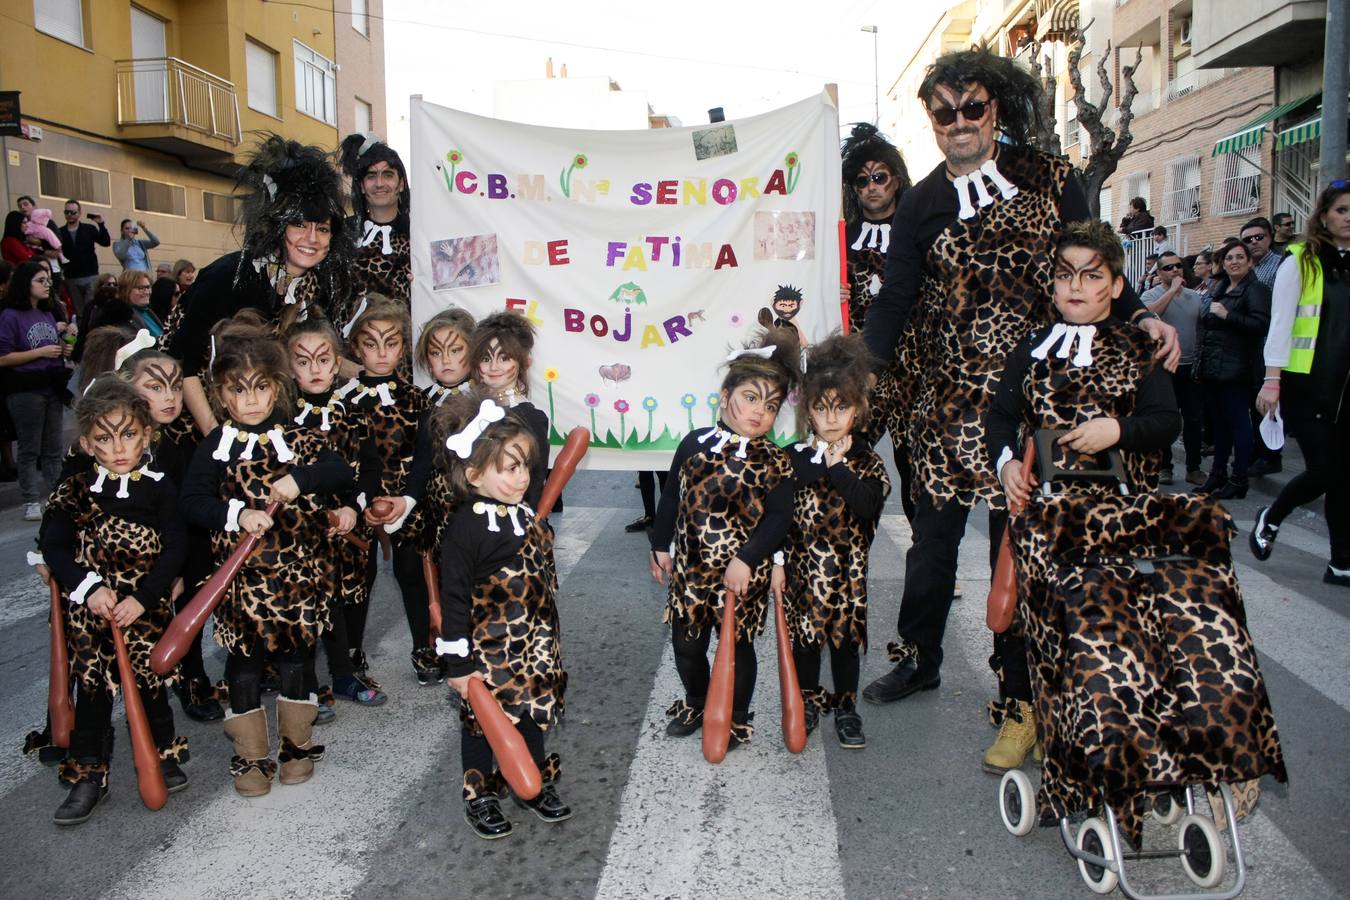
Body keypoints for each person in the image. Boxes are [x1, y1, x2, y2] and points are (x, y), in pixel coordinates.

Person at [859, 47, 1177, 712]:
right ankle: (920, 657)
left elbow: (1092, 259)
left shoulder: (1049, 175)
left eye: (972, 107)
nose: (959, 122)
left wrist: (1142, 314)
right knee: (932, 540)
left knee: (1022, 539)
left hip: (1035, 394)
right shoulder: (921, 203)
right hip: (947, 399)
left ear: (995, 107)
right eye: (943, 114)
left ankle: (1019, 677)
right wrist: (858, 371)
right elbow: (893, 302)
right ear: (932, 121)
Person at [983, 221, 1181, 772]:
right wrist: (1004, 469)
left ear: (1116, 286)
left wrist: (1116, 430)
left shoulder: (1140, 347)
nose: (1075, 286)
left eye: (1091, 276)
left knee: (1102, 621)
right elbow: (999, 417)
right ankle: (1022, 714)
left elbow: (1167, 422)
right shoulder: (1030, 346)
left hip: (1114, 516)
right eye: (1065, 275)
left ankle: (1093, 720)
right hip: (1036, 512)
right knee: (1024, 617)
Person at [179, 328, 354, 797]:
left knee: (297, 658)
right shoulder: (214, 446)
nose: (250, 399)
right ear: (221, 395)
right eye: (238, 389)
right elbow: (192, 502)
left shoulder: (297, 437)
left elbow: (341, 470)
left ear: (275, 388)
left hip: (297, 579)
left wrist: (301, 479)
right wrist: (236, 514)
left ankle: (297, 747)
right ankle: (252, 757)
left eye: (260, 387)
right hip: (241, 584)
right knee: (245, 665)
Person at [40, 377, 190, 825]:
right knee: (93, 693)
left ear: (146, 434)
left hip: (143, 610)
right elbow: (55, 545)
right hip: (92, 613)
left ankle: (161, 754)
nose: (119, 447)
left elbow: (176, 548)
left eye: (128, 434)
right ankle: (90, 774)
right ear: (87, 443)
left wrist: (145, 598)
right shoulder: (76, 490)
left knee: (149, 688)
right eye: (104, 439)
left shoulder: (161, 488)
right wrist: (89, 588)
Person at [649, 329, 798, 747]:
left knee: (738, 648)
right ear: (726, 393)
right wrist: (660, 545)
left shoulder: (776, 462)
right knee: (687, 645)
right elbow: (671, 498)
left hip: (743, 574)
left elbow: (778, 520)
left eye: (770, 406)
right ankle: (698, 699)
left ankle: (734, 715)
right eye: (751, 398)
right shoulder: (694, 445)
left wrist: (749, 559)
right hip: (693, 571)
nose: (760, 413)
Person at [433, 392, 570, 839]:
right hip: (489, 649)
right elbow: (453, 596)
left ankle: (529, 781)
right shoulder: (466, 526)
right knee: (482, 726)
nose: (522, 478)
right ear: (474, 474)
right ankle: (481, 794)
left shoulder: (525, 512)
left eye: (525, 467)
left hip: (534, 644)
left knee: (532, 714)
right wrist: (459, 663)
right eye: (509, 469)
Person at [167, 135, 356, 435]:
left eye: (322, 229)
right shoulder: (229, 276)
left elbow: (319, 354)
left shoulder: (317, 287)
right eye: (299, 224)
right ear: (278, 225)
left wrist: (375, 377)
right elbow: (181, 362)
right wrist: (214, 434)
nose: (311, 238)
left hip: (272, 424)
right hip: (203, 428)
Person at [773, 333, 889, 748]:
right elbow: (779, 516)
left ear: (857, 409)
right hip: (803, 576)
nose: (832, 417)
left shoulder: (867, 462)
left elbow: (868, 505)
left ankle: (846, 706)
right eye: (822, 409)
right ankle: (805, 700)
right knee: (805, 641)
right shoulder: (793, 458)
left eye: (841, 407)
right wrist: (778, 564)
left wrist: (838, 468)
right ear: (809, 412)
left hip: (848, 576)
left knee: (843, 644)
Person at [118, 340, 225, 723]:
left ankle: (192, 678)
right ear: (126, 386)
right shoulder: (111, 439)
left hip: (184, 541)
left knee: (190, 611)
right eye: (156, 387)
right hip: (130, 551)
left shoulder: (186, 438)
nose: (170, 398)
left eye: (176, 387)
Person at [285, 318, 387, 715]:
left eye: (323, 360)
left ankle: (344, 673)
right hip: (302, 532)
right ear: (290, 366)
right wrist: (317, 511)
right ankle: (307, 686)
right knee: (307, 607)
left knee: (345, 601)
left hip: (349, 526)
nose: (314, 369)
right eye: (304, 361)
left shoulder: (355, 411)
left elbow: (372, 466)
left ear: (335, 363)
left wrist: (352, 505)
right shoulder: (282, 419)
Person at [1251, 183, 1350, 587]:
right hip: (1308, 383)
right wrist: (1271, 381)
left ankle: (1341, 562)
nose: (1348, 216)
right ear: (1324, 215)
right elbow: (1281, 324)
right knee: (1326, 470)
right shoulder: (1301, 261)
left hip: (1348, 388)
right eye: (1342, 209)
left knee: (1344, 476)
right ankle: (1271, 516)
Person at [335, 297, 435, 685]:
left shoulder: (416, 399)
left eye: (391, 343)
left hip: (406, 504)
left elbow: (425, 456)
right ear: (357, 347)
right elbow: (341, 458)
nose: (381, 353)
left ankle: (423, 646)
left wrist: (407, 500)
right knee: (358, 577)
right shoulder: (342, 402)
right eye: (372, 344)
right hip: (357, 505)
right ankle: (351, 651)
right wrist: (360, 501)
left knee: (411, 572)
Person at [839, 122, 916, 523]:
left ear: (896, 181)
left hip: (916, 373)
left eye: (879, 177)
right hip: (862, 371)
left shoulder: (919, 234)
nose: (871, 186)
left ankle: (929, 568)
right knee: (847, 456)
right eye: (862, 179)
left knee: (916, 472)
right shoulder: (842, 240)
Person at [1193, 239, 1271, 499]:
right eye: (1229, 258)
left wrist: (1229, 316)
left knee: (1239, 424)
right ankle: (1217, 475)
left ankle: (1239, 479)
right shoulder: (1218, 287)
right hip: (1211, 367)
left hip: (1237, 369)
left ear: (1249, 262)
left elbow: (1260, 325)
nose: (1234, 262)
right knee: (1219, 424)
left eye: (1240, 257)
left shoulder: (1256, 289)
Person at [0, 261, 73, 520]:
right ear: (25, 284)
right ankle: (30, 501)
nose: (47, 285)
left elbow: (51, 347)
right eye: (40, 280)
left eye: (48, 280)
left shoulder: (46, 312)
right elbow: (3, 357)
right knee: (30, 449)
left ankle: (57, 496)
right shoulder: (9, 315)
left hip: (52, 384)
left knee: (53, 448)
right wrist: (40, 352)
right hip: (25, 388)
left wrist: (62, 350)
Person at [335, 131, 411, 329]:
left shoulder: (418, 235)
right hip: (347, 352)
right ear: (361, 186)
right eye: (371, 176)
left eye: (388, 175)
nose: (379, 183)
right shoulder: (341, 233)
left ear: (401, 183)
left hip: (404, 349)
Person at [1144, 250, 1207, 485]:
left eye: (1178, 266)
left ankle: (1193, 468)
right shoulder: (1150, 295)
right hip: (1163, 368)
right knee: (1166, 419)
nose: (1175, 270)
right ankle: (1165, 468)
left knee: (1192, 420)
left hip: (1190, 368)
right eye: (1168, 267)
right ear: (1159, 272)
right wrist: (1171, 291)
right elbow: (1149, 316)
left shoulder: (1196, 296)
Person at [54, 200, 111, 317]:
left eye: (73, 212)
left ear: (79, 213)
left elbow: (105, 242)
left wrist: (101, 224)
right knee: (79, 311)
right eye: (67, 212)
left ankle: (91, 333)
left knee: (91, 309)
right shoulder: (60, 232)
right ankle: (81, 333)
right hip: (71, 277)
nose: (69, 215)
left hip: (90, 276)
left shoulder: (89, 229)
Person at [1242, 217, 1284, 290]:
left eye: (1259, 237)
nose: (1254, 242)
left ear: (1269, 239)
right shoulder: (1241, 267)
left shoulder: (1281, 264)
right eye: (1248, 239)